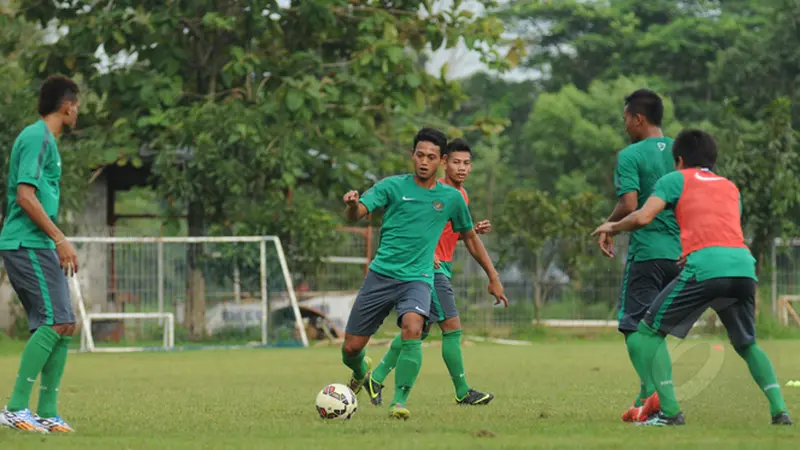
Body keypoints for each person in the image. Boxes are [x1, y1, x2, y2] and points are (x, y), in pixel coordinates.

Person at [592, 129, 792, 426]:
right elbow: (721, 228)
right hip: (741, 266)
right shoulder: (729, 187)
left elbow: (643, 217)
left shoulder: (675, 180)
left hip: (706, 268)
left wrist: (611, 227)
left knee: (648, 332)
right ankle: (780, 411)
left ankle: (670, 413)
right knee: (746, 343)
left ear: (680, 159)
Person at [341, 129, 508, 420]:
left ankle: (398, 402)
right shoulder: (392, 186)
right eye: (420, 155)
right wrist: (353, 205)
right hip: (381, 275)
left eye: (431, 157)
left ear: (439, 160)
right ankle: (364, 371)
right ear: (413, 155)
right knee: (351, 348)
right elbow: (358, 214)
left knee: (414, 327)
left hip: (419, 277)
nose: (424, 162)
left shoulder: (452, 198)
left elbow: (469, 237)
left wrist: (493, 277)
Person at [0, 75, 81, 434]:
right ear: (67, 106)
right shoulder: (36, 137)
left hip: (38, 244)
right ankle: (15, 408)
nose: (77, 112)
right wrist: (60, 238)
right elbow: (25, 196)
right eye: (76, 105)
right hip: (26, 243)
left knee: (64, 324)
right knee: (54, 321)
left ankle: (46, 412)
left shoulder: (48, 141)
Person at [596, 89, 681, 422]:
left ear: (639, 119)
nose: (625, 124)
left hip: (647, 253)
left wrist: (608, 225)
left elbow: (630, 204)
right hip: (680, 256)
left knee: (633, 327)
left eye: (626, 119)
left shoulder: (631, 155)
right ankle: (647, 397)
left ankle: (655, 396)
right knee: (655, 332)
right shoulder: (680, 152)